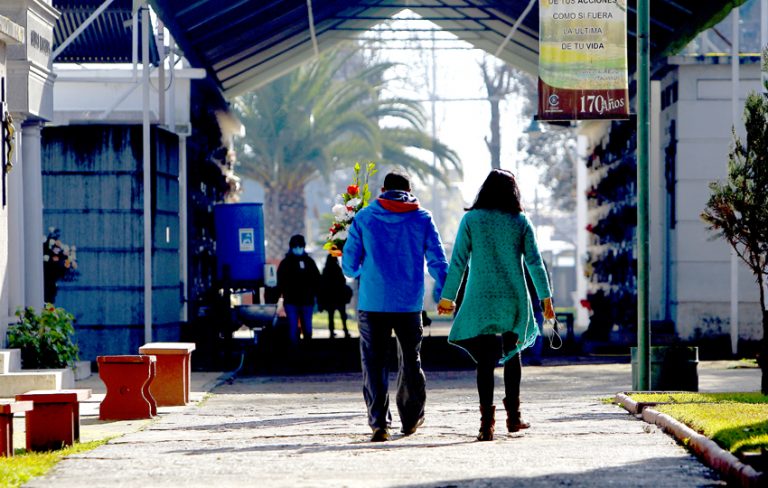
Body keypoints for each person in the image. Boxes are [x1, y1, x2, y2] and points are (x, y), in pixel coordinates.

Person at [437, 169, 555, 441]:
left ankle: (485, 425)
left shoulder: (471, 220)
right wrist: (545, 299)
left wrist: (448, 297)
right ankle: (513, 418)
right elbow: (534, 262)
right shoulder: (519, 221)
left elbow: (458, 261)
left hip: (481, 298)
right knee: (513, 355)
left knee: (485, 361)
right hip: (513, 297)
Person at [342, 170, 449, 442]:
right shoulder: (422, 218)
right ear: (409, 190)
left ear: (382, 189)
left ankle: (380, 424)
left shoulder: (364, 217)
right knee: (410, 361)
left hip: (372, 302)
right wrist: (445, 292)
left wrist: (358, 266)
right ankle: (411, 420)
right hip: (408, 304)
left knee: (374, 363)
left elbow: (350, 265)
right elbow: (438, 260)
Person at [277, 234, 320, 344]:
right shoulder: (287, 263)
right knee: (294, 327)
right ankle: (297, 350)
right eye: (296, 246)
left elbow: (317, 280)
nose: (298, 249)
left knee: (305, 326)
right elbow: (280, 281)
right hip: (294, 301)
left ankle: (303, 349)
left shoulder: (308, 262)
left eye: (300, 246)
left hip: (303, 300)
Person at [318, 255, 352, 338]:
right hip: (339, 297)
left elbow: (323, 285)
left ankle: (331, 332)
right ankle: (345, 331)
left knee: (331, 316)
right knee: (343, 316)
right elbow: (342, 281)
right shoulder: (338, 269)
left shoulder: (326, 270)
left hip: (330, 298)